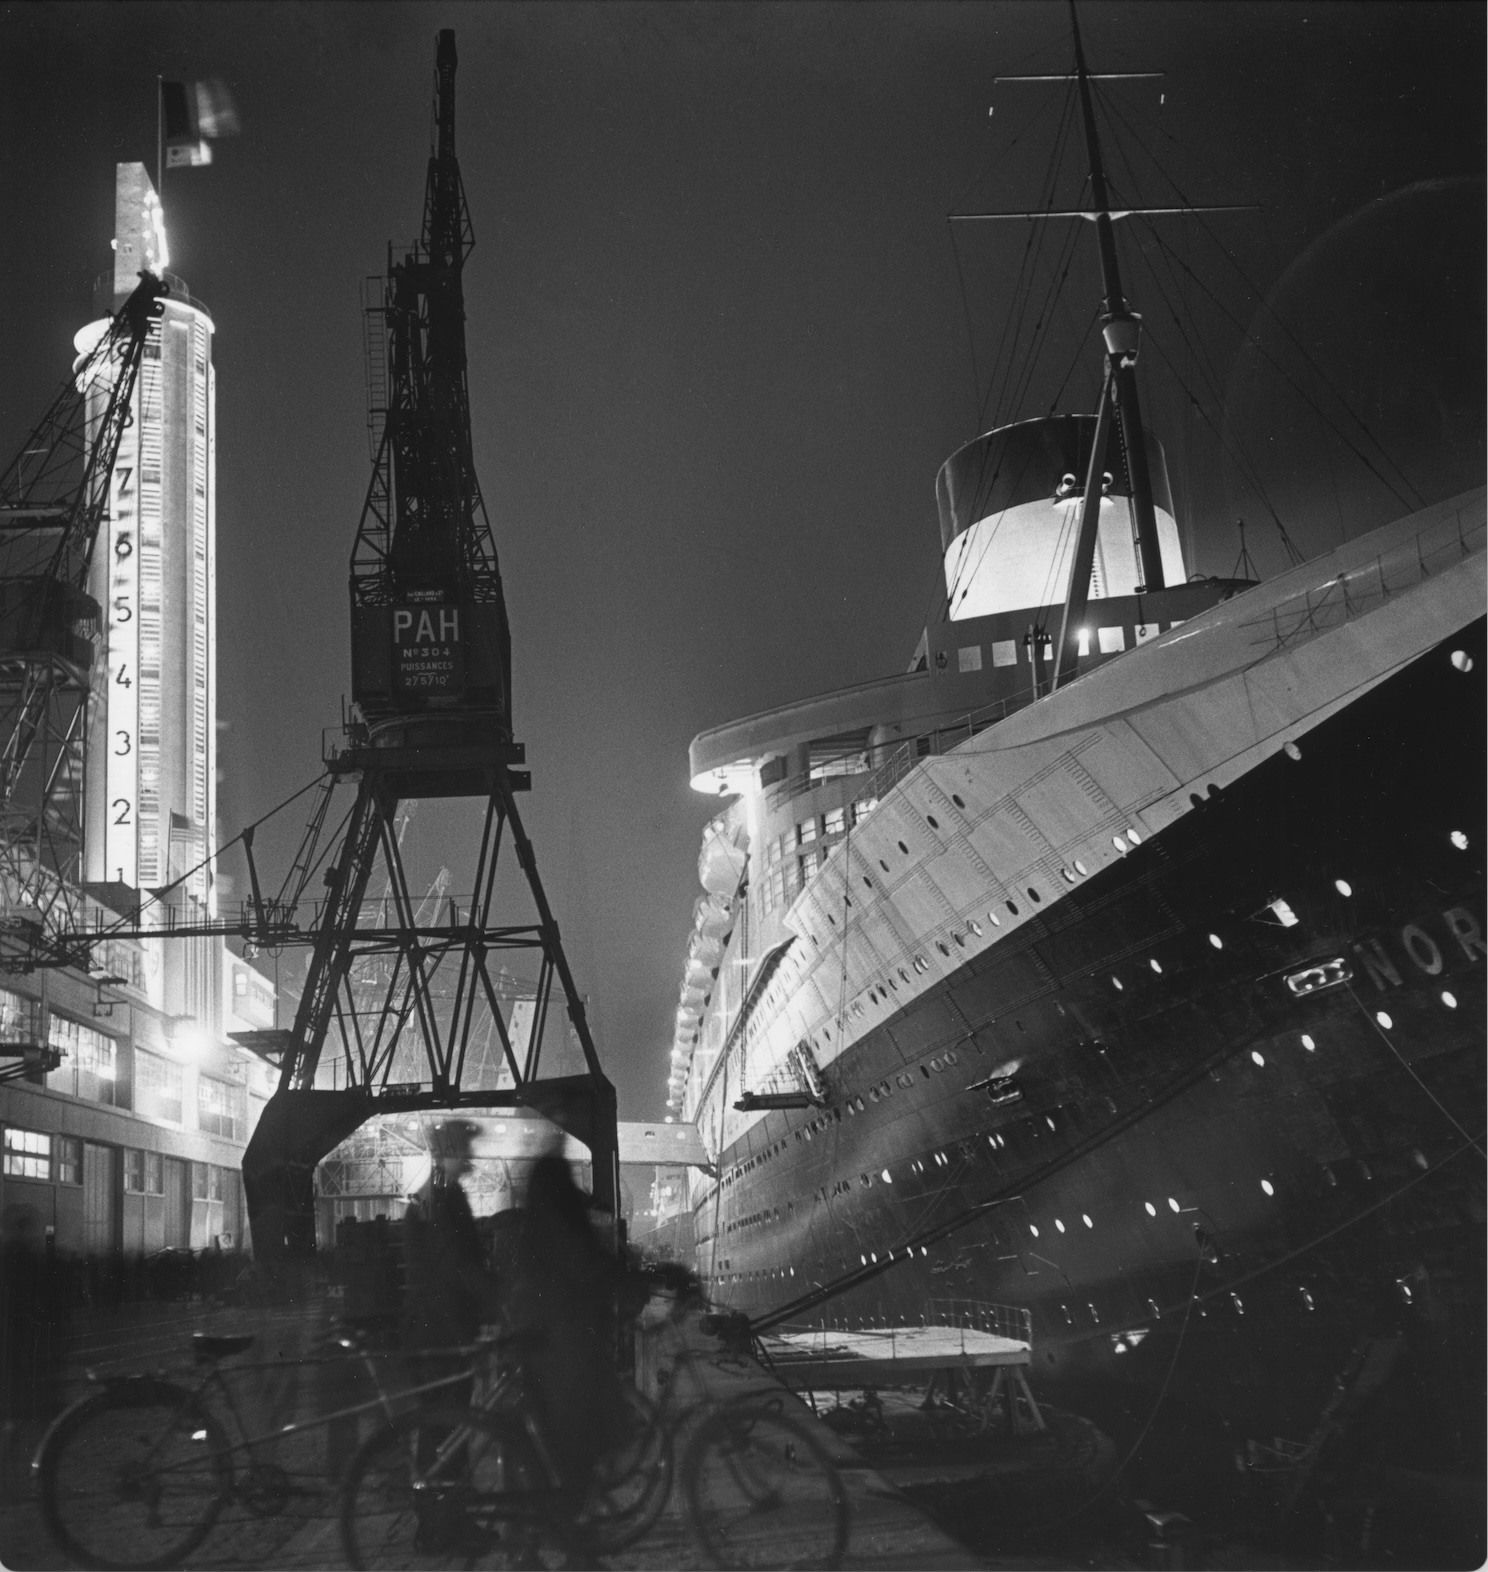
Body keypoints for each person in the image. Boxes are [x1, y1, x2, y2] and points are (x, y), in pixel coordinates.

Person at [504, 1147, 627, 1552]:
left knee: (559, 1445)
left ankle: (551, 1537)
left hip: (549, 1340)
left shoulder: (540, 1215)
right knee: (574, 1440)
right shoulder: (558, 1217)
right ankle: (571, 1541)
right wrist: (630, 1279)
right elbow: (583, 1263)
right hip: (561, 1345)